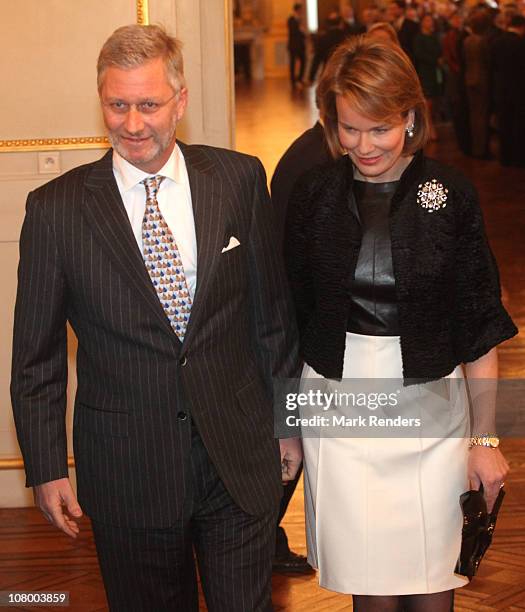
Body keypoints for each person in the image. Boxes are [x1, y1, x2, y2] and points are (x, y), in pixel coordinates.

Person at [11, 24, 302, 612]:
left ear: (181, 101)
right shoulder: (55, 211)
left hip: (239, 458)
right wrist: (44, 468)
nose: (133, 123)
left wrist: (287, 422)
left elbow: (273, 319)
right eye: (117, 105)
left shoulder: (239, 179)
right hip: (128, 469)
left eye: (149, 104)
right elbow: (36, 359)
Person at [284, 36, 516, 611]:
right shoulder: (314, 195)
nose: (363, 145)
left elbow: (480, 326)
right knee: (372, 587)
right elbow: (289, 320)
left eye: (379, 128)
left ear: (410, 118)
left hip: (433, 410)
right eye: (349, 128)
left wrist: (485, 440)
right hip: (338, 408)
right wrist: (286, 425)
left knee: (435, 578)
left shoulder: (451, 195)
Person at [414, 14, 442, 140]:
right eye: (427, 20)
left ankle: (432, 125)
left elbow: (439, 51)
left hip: (435, 72)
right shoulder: (419, 38)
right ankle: (429, 128)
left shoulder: (435, 37)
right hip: (425, 72)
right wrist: (434, 59)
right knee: (427, 102)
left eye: (431, 20)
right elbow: (420, 54)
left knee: (435, 101)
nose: (429, 23)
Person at [287, 3, 307, 88]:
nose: (301, 11)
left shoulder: (301, 19)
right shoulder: (290, 19)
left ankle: (300, 79)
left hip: (301, 45)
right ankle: (293, 82)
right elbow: (293, 31)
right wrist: (301, 30)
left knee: (303, 62)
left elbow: (302, 33)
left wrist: (304, 33)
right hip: (293, 45)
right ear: (297, 10)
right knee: (292, 64)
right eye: (300, 10)